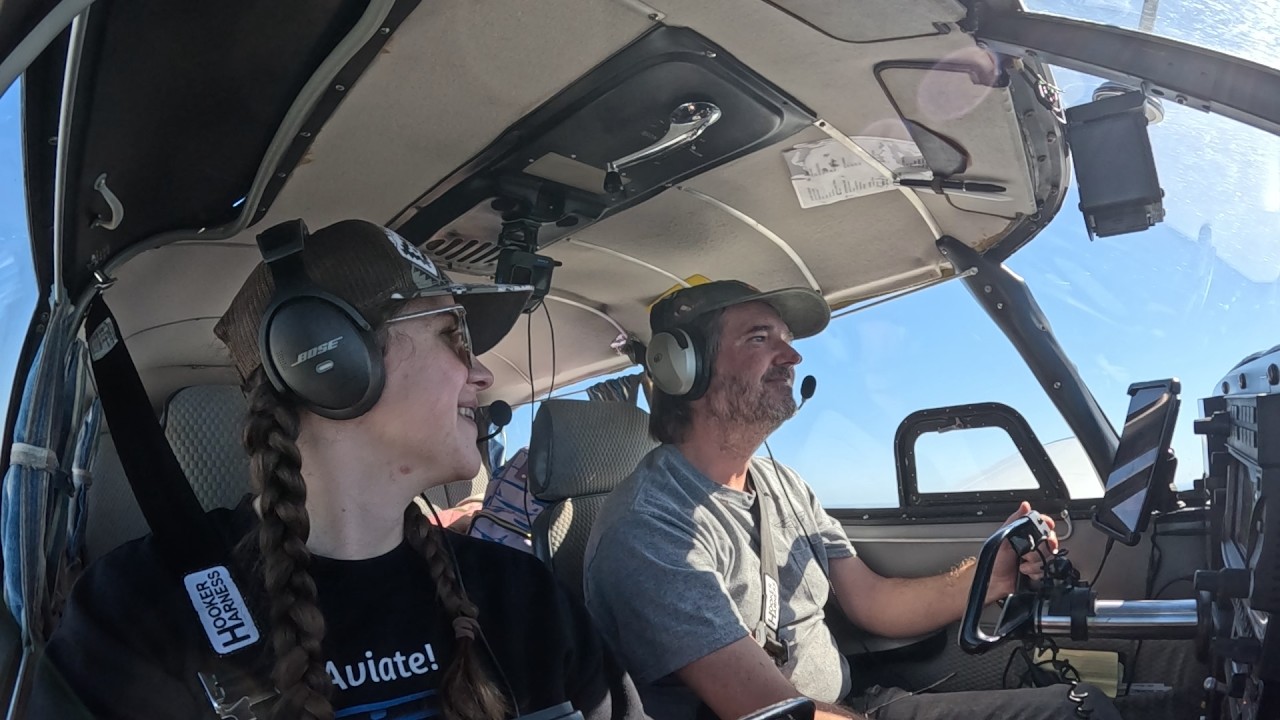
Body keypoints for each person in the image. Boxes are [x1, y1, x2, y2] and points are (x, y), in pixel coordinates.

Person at [41, 219, 646, 720]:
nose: (483, 375)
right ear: (327, 361)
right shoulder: (141, 614)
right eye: (453, 335)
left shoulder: (523, 599)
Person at [582, 280, 1120, 720]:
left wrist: (992, 576)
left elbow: (873, 602)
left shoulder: (784, 485)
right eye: (759, 338)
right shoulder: (649, 528)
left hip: (852, 705)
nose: (792, 356)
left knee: (1081, 708)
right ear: (683, 368)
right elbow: (770, 712)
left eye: (786, 339)